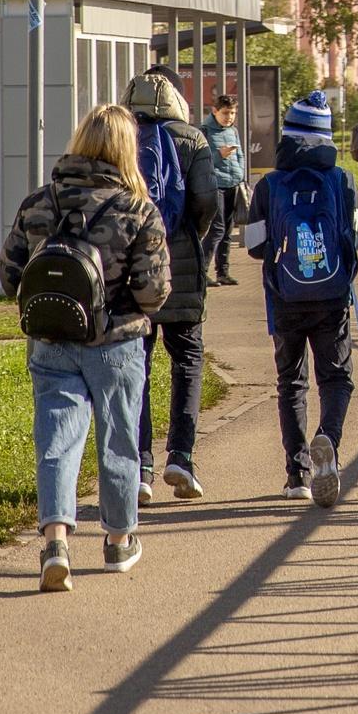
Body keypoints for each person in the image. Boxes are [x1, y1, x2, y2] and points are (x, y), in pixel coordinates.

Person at [0, 104, 169, 591]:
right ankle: (118, 541)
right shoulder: (137, 209)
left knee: (56, 439)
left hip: (51, 339)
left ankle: (55, 540)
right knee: (118, 439)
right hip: (116, 343)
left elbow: (11, 276)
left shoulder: (39, 202)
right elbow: (152, 293)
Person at [247, 88, 358, 506]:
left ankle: (297, 474)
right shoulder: (342, 180)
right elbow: (356, 236)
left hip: (284, 297)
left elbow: (256, 246)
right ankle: (327, 438)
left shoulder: (269, 184)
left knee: (291, 382)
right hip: (331, 297)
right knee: (336, 378)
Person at [125, 65, 222, 503]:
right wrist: (189, 239)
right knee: (187, 360)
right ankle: (180, 456)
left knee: (136, 368)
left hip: (131, 270)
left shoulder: (119, 136)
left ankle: (139, 465)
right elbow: (207, 202)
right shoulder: (193, 138)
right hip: (179, 263)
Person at [201, 94, 247, 286]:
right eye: (226, 113)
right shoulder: (205, 131)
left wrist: (240, 174)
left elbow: (240, 155)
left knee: (228, 229)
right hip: (216, 185)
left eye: (233, 113)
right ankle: (202, 272)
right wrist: (219, 155)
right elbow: (202, 159)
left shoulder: (233, 131)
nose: (229, 117)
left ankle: (223, 272)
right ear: (215, 111)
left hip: (233, 184)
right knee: (217, 229)